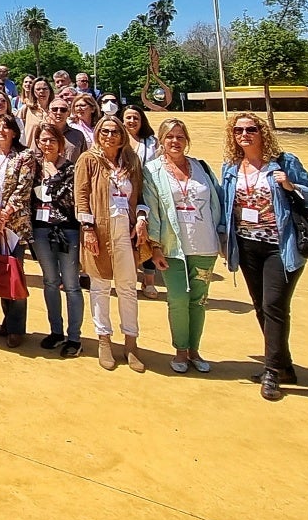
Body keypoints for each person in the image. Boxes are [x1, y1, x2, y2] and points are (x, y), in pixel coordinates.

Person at [221, 112, 308, 401]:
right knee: (262, 308)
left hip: (281, 245)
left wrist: (291, 185)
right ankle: (283, 365)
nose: (244, 134)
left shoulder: (284, 162)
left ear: (262, 132)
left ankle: (272, 372)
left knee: (274, 306)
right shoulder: (230, 167)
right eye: (238, 130)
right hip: (248, 245)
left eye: (251, 129)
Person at [141, 118, 223, 374]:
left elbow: (217, 202)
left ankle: (195, 351)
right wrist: (154, 246)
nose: (175, 141)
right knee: (177, 299)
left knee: (198, 301)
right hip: (172, 246)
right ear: (161, 141)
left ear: (186, 140)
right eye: (169, 137)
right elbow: (153, 212)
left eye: (180, 137)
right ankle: (180, 350)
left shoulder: (201, 168)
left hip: (204, 246)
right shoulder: (152, 171)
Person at [75, 114, 151, 372]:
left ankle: (131, 343)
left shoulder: (131, 161)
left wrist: (141, 218)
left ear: (122, 136)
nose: (110, 136)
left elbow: (140, 196)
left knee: (128, 287)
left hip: (126, 232)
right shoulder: (89, 160)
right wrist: (87, 228)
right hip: (99, 230)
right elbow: (81, 196)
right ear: (97, 133)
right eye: (105, 131)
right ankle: (104, 340)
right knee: (99, 286)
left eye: (115, 132)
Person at [14, 123, 84, 357]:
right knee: (50, 281)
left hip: (68, 230)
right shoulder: (32, 168)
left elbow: (76, 200)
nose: (47, 144)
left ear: (60, 143)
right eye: (42, 140)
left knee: (72, 285)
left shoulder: (73, 169)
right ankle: (56, 331)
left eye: (51, 140)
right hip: (41, 230)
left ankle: (74, 336)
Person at [0, 115, 31, 347]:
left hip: (15, 225)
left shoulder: (25, 156)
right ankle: (7, 321)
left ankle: (17, 327)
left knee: (16, 273)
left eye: (5, 126)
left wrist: (5, 213)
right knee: (2, 272)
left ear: (14, 132)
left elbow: (23, 188)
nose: (0, 130)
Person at [122, 103, 162, 299]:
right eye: (128, 117)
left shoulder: (151, 142)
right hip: (123, 194)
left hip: (146, 191)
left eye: (135, 117)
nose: (131, 121)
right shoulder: (116, 139)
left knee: (147, 233)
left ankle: (149, 280)